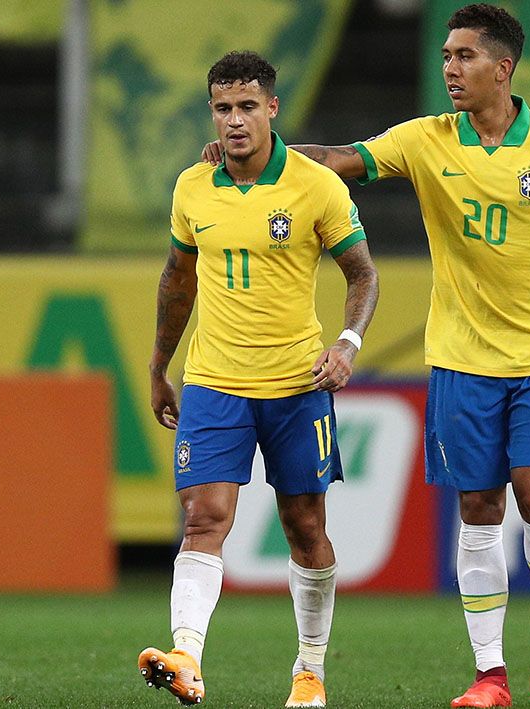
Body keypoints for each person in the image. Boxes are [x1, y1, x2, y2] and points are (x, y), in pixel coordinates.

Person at [204, 5, 530, 706]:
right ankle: (490, 673)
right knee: (479, 505)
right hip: (461, 355)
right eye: (445, 56)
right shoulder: (427, 140)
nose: (450, 69)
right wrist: (252, 150)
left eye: (464, 56)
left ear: (504, 67)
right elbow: (338, 159)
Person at [139, 50, 379, 708]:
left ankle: (310, 670)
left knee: (304, 526)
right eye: (223, 108)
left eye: (248, 106)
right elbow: (177, 280)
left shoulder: (315, 186)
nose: (235, 120)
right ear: (211, 113)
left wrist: (348, 343)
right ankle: (186, 654)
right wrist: (160, 366)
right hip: (215, 380)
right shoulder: (193, 186)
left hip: (298, 383)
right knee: (203, 518)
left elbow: (362, 273)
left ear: (273, 108)